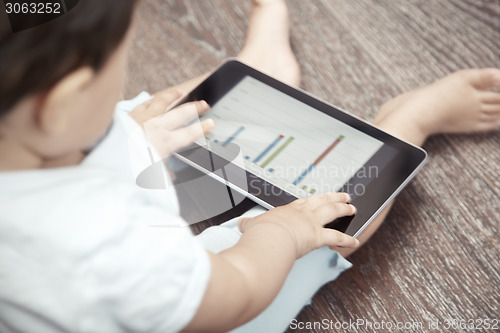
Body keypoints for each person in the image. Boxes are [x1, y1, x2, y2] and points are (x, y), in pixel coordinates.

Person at [0, 1, 499, 333]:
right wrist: (280, 233)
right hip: (192, 311)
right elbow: (234, 293)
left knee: (140, 116)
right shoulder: (108, 249)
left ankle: (256, 75)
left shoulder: (28, 139)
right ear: (59, 108)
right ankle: (408, 120)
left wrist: (128, 133)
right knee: (324, 222)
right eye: (118, 64)